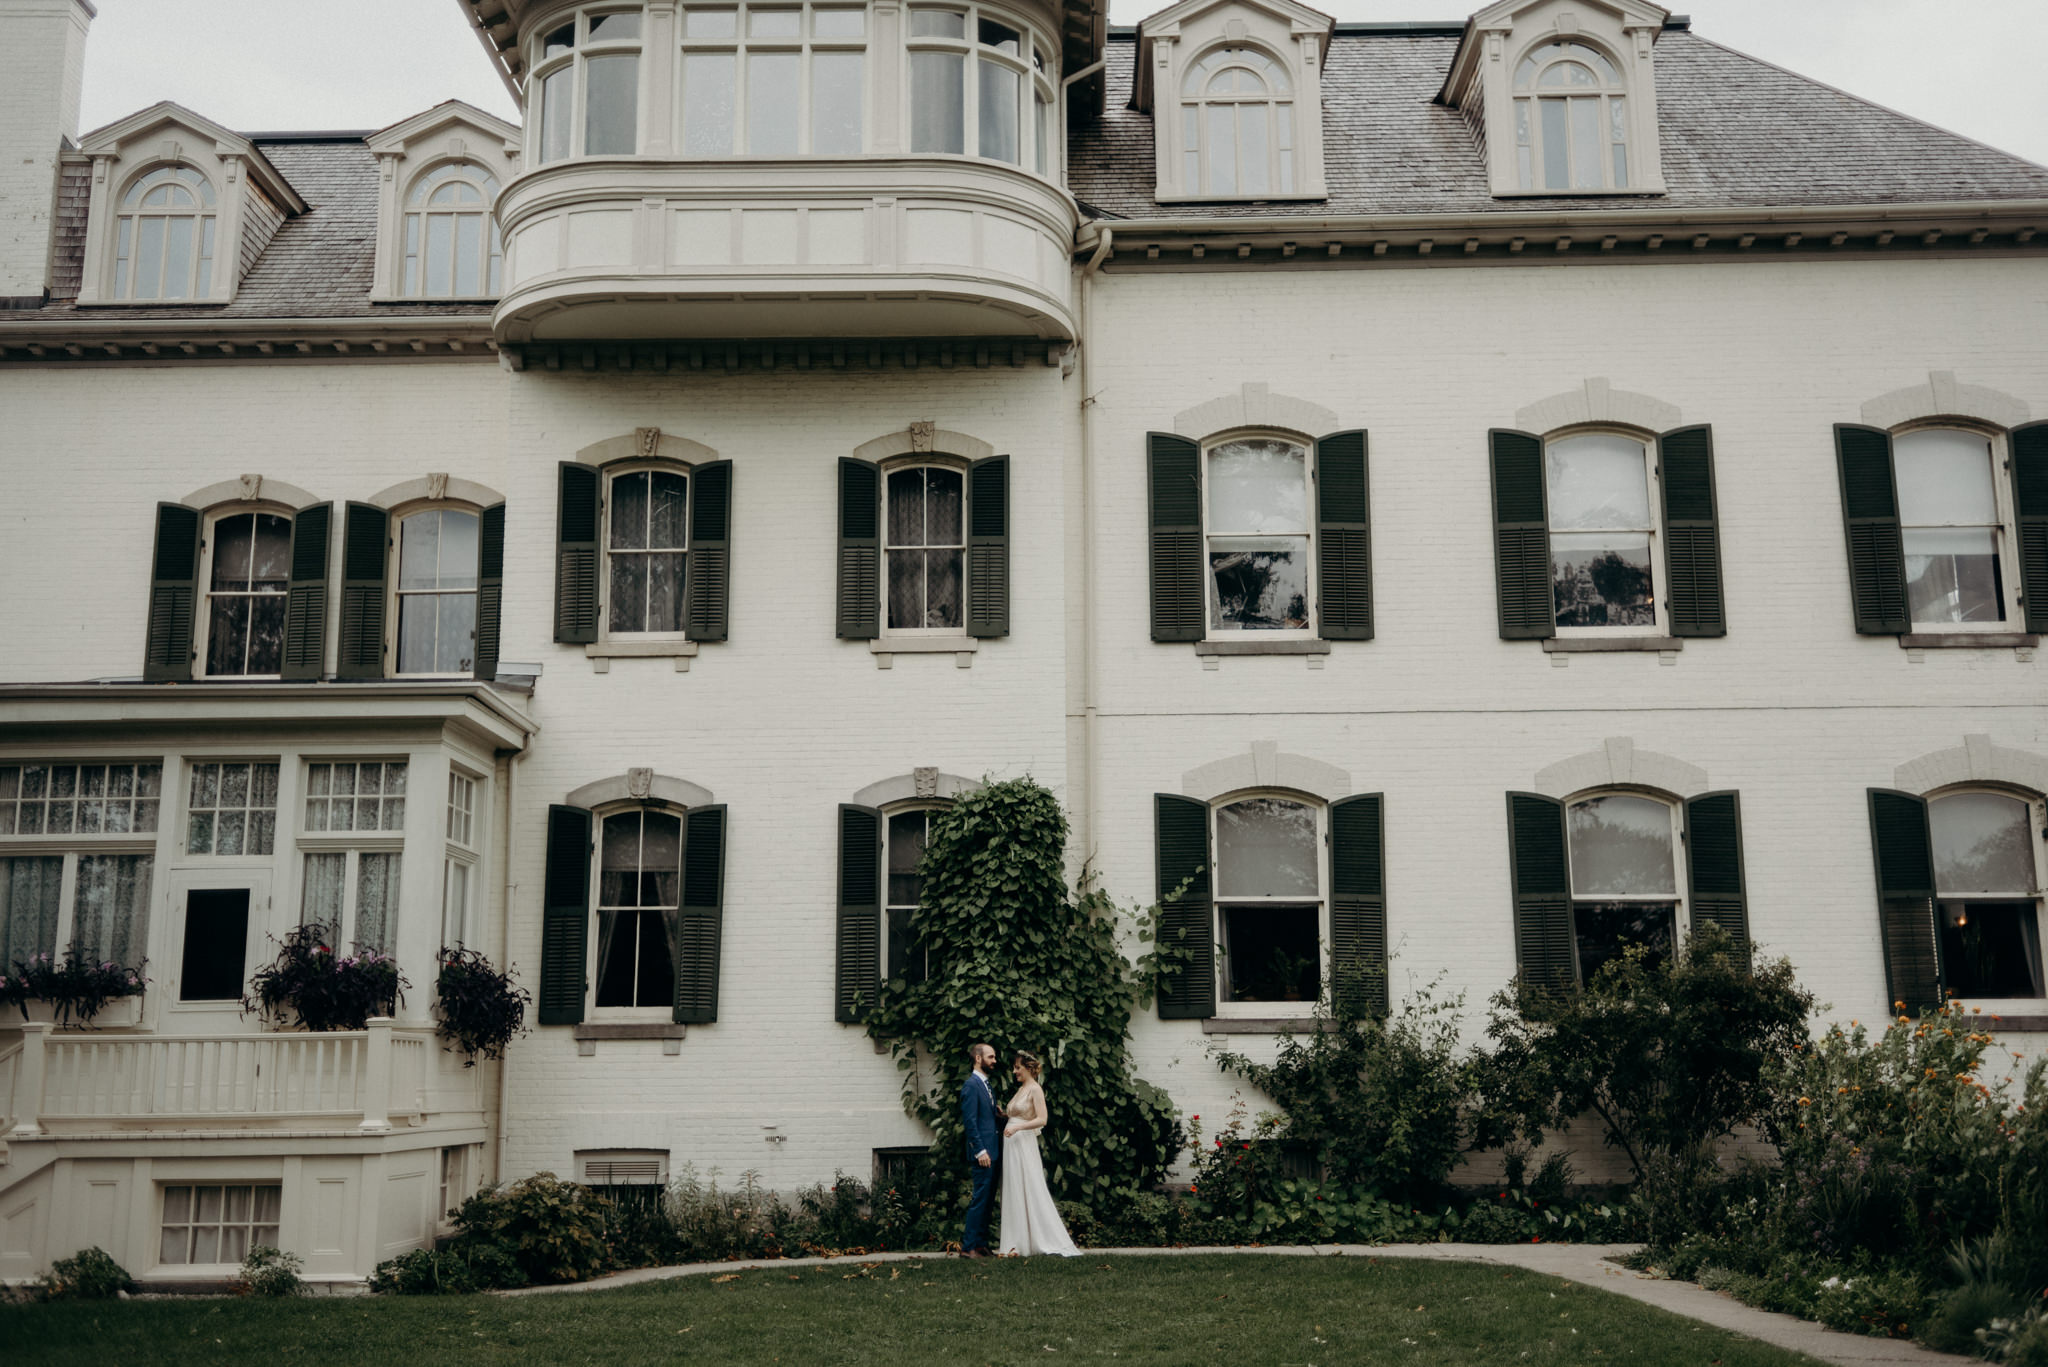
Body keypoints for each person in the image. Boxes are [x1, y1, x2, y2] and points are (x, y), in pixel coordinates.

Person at [997, 1050, 1080, 1257]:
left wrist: (1016, 1128)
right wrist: (1006, 1116)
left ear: (1029, 1068)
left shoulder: (1035, 1089)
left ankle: (1042, 1238)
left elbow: (1042, 1119)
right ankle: (1018, 1241)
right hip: (1012, 1144)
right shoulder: (1022, 1088)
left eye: (1018, 1067)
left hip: (1023, 1142)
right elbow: (1022, 1113)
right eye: (1015, 1067)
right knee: (1016, 1186)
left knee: (1029, 1185)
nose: (1014, 1071)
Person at [959, 1041, 1002, 1259]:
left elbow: (986, 1117)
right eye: (991, 1057)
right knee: (979, 1200)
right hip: (983, 1154)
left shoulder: (986, 1085)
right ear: (978, 1058)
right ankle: (968, 1247)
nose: (994, 1061)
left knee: (987, 1200)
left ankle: (981, 1244)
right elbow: (970, 1122)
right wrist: (980, 1151)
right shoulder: (971, 1086)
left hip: (993, 1151)